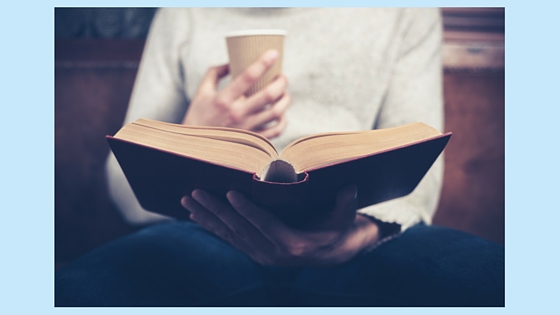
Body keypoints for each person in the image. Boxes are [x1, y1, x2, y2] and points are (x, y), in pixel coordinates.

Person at [55, 8, 504, 306]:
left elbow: (419, 173)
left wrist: (354, 239)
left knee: (497, 281)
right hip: (207, 231)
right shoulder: (183, 11)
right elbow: (122, 188)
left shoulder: (405, 9)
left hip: (358, 234)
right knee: (74, 293)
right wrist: (198, 129)